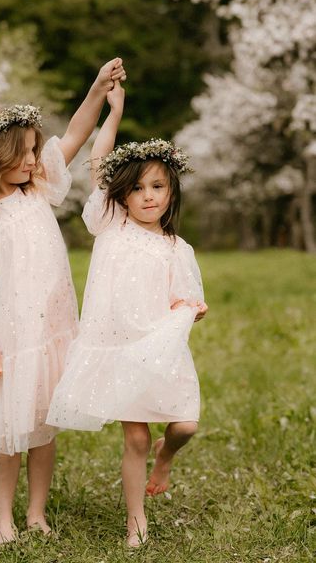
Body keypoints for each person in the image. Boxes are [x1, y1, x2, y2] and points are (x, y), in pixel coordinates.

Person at [0, 58, 127, 545]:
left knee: (46, 426)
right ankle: (3, 518)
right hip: (13, 334)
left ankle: (36, 513)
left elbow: (75, 134)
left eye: (33, 152)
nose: (33, 160)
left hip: (54, 328)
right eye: (23, 154)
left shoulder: (39, 188)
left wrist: (96, 89)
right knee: (11, 431)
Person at [47, 81, 208, 547]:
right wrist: (113, 111)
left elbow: (184, 299)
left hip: (160, 346)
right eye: (137, 188)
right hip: (122, 349)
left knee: (185, 426)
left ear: (171, 192)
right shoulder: (111, 223)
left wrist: (191, 309)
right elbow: (99, 161)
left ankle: (167, 456)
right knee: (134, 438)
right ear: (122, 196)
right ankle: (135, 519)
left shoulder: (178, 249)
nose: (147, 196)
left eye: (157, 186)